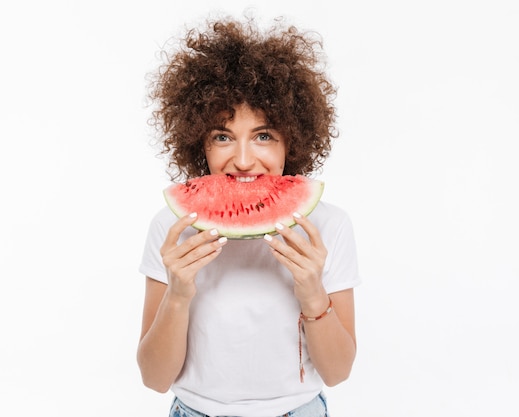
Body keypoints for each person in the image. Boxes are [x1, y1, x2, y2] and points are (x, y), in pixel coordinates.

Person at [137, 15, 361, 417]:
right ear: (197, 142)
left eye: (263, 136)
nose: (242, 161)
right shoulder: (172, 231)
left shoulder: (328, 226)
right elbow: (154, 379)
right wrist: (178, 293)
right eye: (222, 137)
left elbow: (338, 371)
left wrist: (312, 289)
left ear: (292, 138)